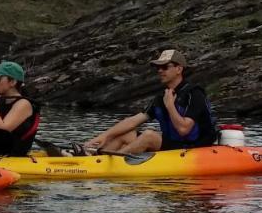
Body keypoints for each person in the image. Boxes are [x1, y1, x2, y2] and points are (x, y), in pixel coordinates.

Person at [82, 49, 217, 155]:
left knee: (149, 135)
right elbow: (133, 121)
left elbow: (183, 130)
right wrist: (104, 136)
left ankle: (108, 164)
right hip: (174, 145)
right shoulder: (162, 96)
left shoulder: (194, 94)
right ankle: (93, 157)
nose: (159, 71)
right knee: (127, 133)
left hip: (195, 147)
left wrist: (170, 106)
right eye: (158, 67)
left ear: (179, 69)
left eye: (165, 67)